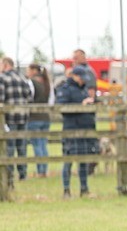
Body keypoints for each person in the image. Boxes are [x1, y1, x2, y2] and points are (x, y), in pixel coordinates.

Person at [57, 65, 96, 198]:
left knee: (83, 161)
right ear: (74, 76)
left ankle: (84, 189)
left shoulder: (83, 90)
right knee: (68, 161)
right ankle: (66, 190)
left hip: (85, 130)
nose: (84, 81)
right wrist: (81, 106)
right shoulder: (65, 90)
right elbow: (61, 108)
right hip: (71, 129)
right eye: (81, 78)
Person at [1, 56, 33, 187]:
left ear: (5, 64)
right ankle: (23, 174)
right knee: (22, 147)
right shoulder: (22, 78)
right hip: (23, 117)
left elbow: (1, 98)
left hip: (8, 118)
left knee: (9, 147)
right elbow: (30, 96)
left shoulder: (2, 78)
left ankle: (9, 176)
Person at [25, 63, 52, 178]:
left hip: (34, 117)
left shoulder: (31, 83)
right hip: (46, 117)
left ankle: (40, 171)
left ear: (33, 71)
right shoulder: (47, 83)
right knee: (43, 144)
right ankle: (44, 170)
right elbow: (51, 101)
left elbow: (28, 98)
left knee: (36, 144)